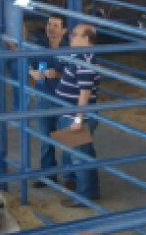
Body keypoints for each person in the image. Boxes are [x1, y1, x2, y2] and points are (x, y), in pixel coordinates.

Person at [55, 24, 101, 207]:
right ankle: (89, 190)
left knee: (79, 156)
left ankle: (85, 195)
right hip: (70, 112)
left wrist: (78, 118)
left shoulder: (86, 62)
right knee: (83, 153)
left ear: (87, 39)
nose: (71, 37)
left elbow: (85, 93)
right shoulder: (79, 56)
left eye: (75, 35)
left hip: (75, 114)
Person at [29, 13, 70, 185]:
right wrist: (33, 72)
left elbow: (76, 74)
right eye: (49, 24)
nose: (50, 28)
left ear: (64, 30)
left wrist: (58, 74)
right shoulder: (39, 45)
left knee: (68, 139)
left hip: (66, 99)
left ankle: (70, 177)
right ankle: (48, 174)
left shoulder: (69, 49)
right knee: (45, 137)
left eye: (55, 26)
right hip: (44, 95)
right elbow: (29, 64)